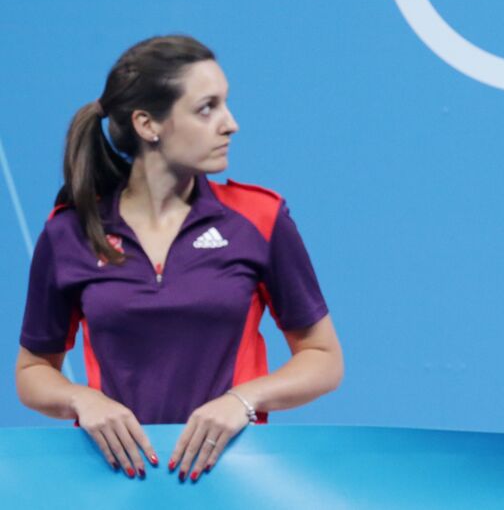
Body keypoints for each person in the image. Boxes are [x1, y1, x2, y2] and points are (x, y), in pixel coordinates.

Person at [16, 36, 342, 482]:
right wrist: (82, 400)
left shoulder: (260, 218)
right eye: (207, 108)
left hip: (235, 483)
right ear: (148, 125)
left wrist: (242, 401)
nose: (231, 124)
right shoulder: (68, 231)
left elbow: (322, 356)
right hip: (114, 485)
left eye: (225, 104)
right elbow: (34, 370)